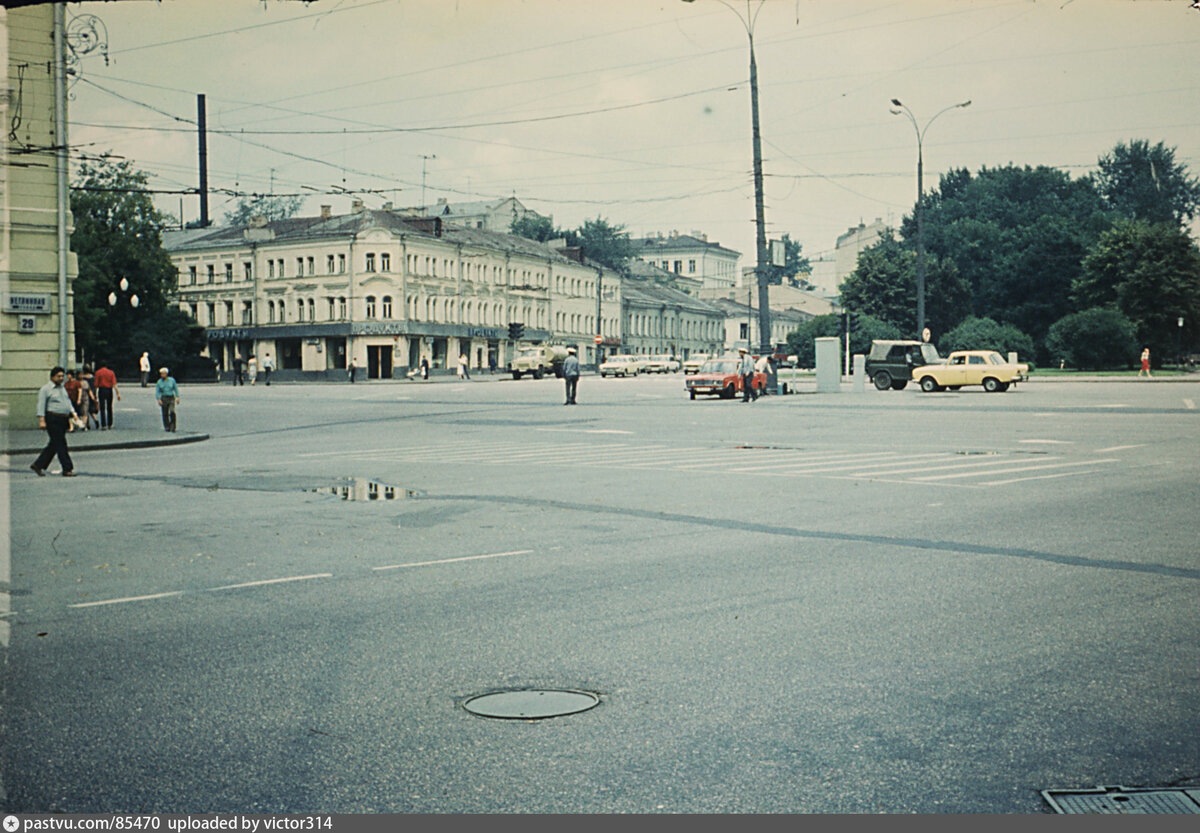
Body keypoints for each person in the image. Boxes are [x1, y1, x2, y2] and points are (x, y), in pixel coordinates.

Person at [31, 366, 77, 477]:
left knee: (54, 444)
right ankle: (67, 468)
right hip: (53, 419)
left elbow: (67, 402)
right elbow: (41, 405)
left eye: (62, 376)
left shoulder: (62, 388)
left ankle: (38, 465)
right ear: (52, 377)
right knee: (61, 444)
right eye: (59, 376)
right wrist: (42, 420)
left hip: (63, 419)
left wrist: (73, 413)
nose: (61, 378)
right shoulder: (46, 389)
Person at [92, 359, 121, 429]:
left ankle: (103, 425)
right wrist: (118, 394)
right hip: (109, 390)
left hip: (102, 390)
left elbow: (96, 385)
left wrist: (95, 394)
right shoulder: (111, 372)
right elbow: (114, 384)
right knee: (109, 407)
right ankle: (110, 424)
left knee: (102, 408)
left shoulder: (98, 372)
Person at [155, 367, 180, 432]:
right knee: (165, 413)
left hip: (171, 397)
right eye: (161, 374)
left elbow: (175, 388)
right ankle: (167, 426)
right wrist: (158, 399)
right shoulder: (159, 382)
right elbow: (157, 391)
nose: (162, 375)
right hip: (164, 398)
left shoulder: (172, 380)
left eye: (164, 374)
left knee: (172, 411)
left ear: (166, 374)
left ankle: (173, 426)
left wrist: (177, 397)